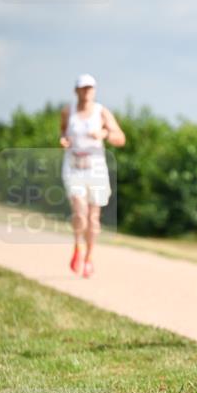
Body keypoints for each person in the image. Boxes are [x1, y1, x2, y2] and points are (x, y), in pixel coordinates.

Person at [60, 74, 126, 277]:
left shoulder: (101, 112)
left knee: (93, 217)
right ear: (76, 90)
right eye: (83, 88)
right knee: (80, 213)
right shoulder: (67, 111)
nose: (87, 91)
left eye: (90, 88)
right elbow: (63, 132)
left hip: (95, 167)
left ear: (94, 90)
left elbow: (120, 138)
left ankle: (89, 257)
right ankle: (77, 246)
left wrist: (104, 134)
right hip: (73, 166)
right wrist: (63, 140)